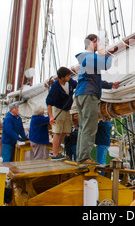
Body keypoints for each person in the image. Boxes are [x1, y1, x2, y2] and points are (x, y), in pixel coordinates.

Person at [74, 34, 119, 165]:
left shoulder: (85, 58)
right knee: (89, 127)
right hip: (89, 95)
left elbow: (95, 79)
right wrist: (107, 54)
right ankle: (84, 158)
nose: (98, 45)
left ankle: (81, 156)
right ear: (90, 43)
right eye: (96, 43)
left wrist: (111, 85)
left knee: (83, 127)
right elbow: (106, 65)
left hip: (82, 94)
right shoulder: (89, 56)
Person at [46, 66, 77, 160]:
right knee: (58, 132)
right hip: (58, 109)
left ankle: (58, 152)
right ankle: (55, 154)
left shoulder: (70, 82)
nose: (69, 77)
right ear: (61, 77)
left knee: (65, 131)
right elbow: (49, 102)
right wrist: (51, 116)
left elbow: (78, 85)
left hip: (67, 109)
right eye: (67, 76)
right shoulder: (55, 87)